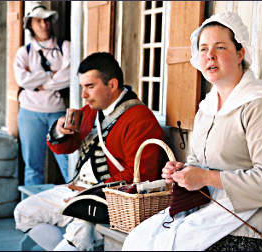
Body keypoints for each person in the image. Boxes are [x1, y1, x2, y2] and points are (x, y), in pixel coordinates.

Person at [122, 12, 262, 251]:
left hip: (257, 220)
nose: (210, 56)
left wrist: (205, 178)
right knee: (139, 239)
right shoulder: (207, 107)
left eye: (220, 47)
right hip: (211, 207)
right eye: (204, 49)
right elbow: (198, 162)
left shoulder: (261, 105)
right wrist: (182, 172)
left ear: (240, 53)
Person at [14, 52, 165, 251]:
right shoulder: (91, 111)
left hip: (109, 201)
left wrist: (90, 194)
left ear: (112, 85)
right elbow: (63, 148)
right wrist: (60, 131)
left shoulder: (140, 119)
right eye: (82, 87)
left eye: (90, 87)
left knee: (76, 236)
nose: (84, 94)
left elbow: (140, 176)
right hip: (79, 191)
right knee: (24, 212)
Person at [13, 2, 70, 185]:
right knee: (32, 165)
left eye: (47, 21)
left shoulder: (64, 46)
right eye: (39, 21)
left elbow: (69, 75)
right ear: (30, 24)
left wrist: (40, 83)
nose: (44, 25)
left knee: (68, 162)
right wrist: (51, 75)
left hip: (57, 111)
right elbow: (23, 80)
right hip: (30, 112)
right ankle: (29, 211)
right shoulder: (24, 52)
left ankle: (75, 207)